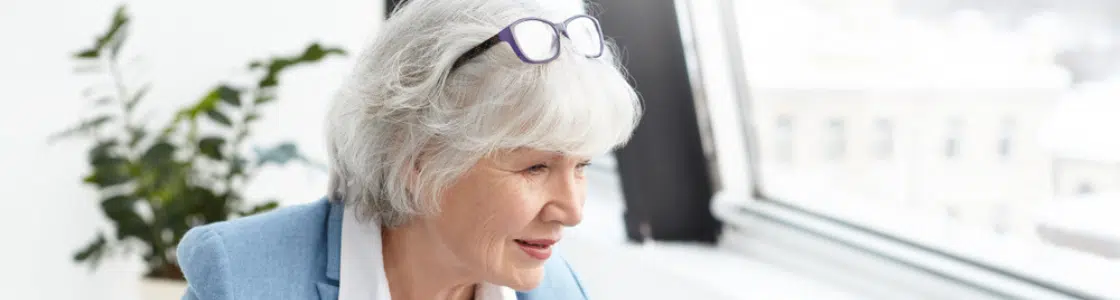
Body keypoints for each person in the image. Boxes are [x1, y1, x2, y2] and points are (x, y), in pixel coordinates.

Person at [175, 0, 642, 299]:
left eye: (581, 165)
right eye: (535, 167)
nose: (572, 210)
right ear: (418, 159)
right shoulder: (243, 279)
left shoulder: (558, 292)